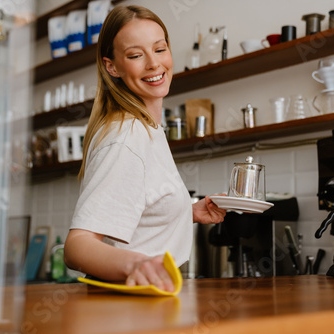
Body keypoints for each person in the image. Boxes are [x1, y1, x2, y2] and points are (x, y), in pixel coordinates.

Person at [64, 5, 226, 292]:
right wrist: (136, 265)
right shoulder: (126, 136)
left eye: (160, 49)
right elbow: (77, 247)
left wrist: (187, 211)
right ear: (112, 66)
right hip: (126, 309)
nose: (154, 64)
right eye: (136, 55)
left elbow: (134, 209)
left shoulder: (147, 129)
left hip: (148, 302)